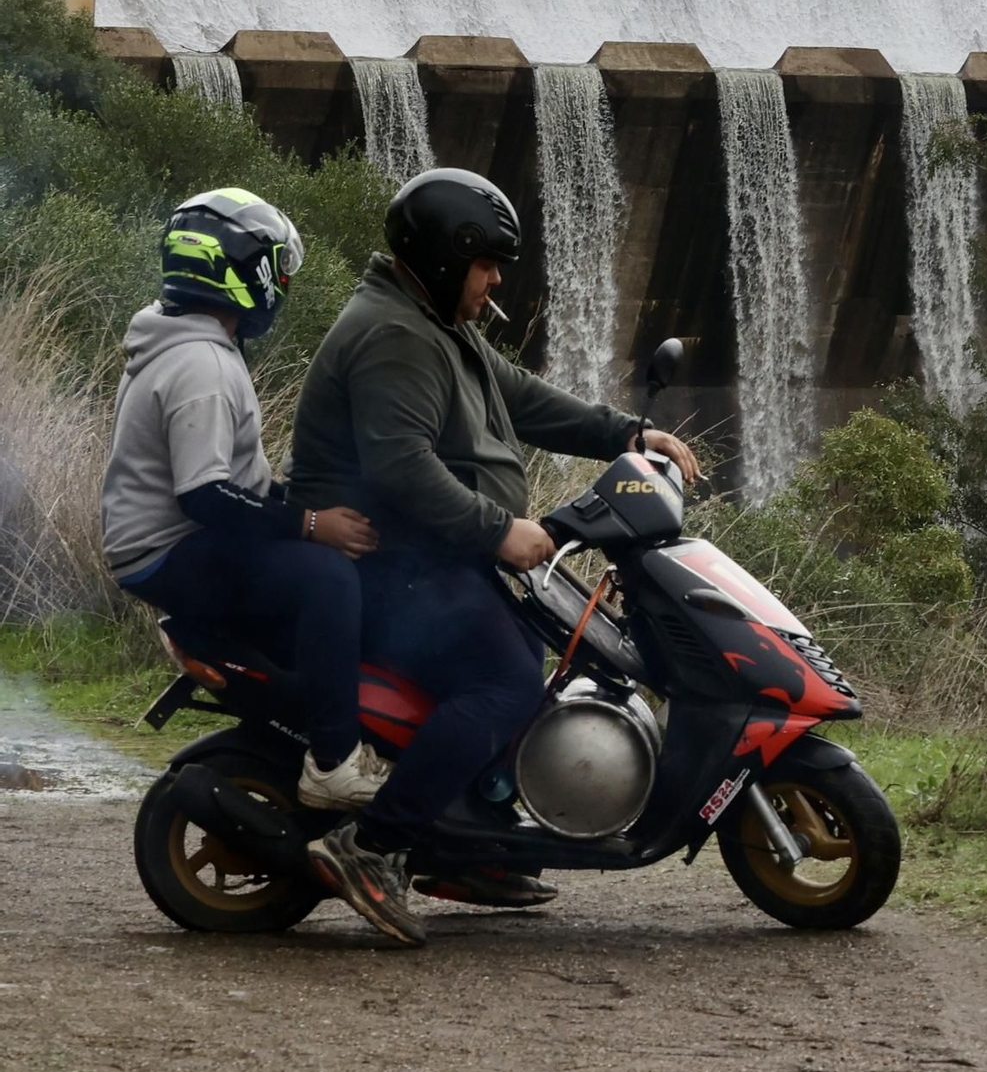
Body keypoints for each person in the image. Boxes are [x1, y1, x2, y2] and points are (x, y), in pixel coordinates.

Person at [290, 167, 700, 947]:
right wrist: (496, 528)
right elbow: (400, 469)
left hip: (429, 556)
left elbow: (520, 394)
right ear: (449, 258)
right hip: (388, 564)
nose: (497, 277)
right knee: (505, 680)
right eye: (487, 263)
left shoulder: (435, 321)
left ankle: (466, 840)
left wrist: (627, 434)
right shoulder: (393, 335)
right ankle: (373, 845)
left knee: (538, 650)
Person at [101, 187, 389, 811]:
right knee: (327, 580)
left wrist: (302, 506)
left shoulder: (187, 338)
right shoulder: (201, 366)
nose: (281, 284)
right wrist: (310, 524)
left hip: (175, 543)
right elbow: (206, 496)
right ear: (246, 272)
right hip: (170, 550)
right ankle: (335, 760)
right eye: (277, 269)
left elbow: (237, 483)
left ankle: (314, 726)